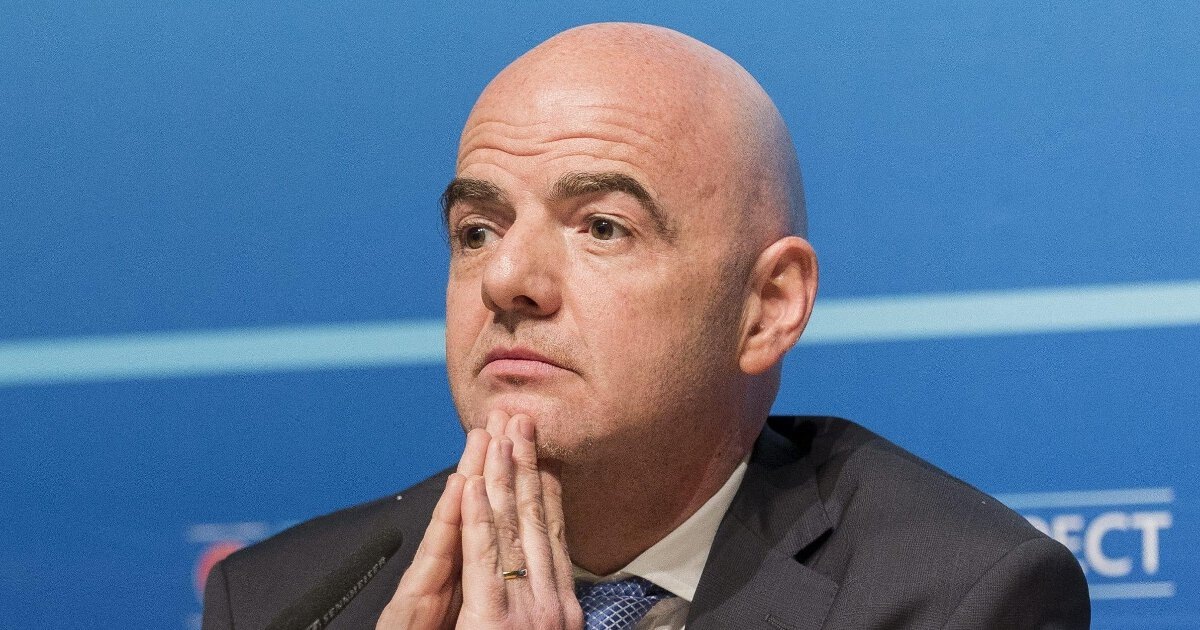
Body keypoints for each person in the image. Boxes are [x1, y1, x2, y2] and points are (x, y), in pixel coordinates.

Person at [202, 22, 1090, 629]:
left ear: (767, 306)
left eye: (601, 227)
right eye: (478, 231)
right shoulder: (286, 602)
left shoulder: (955, 599)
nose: (507, 280)